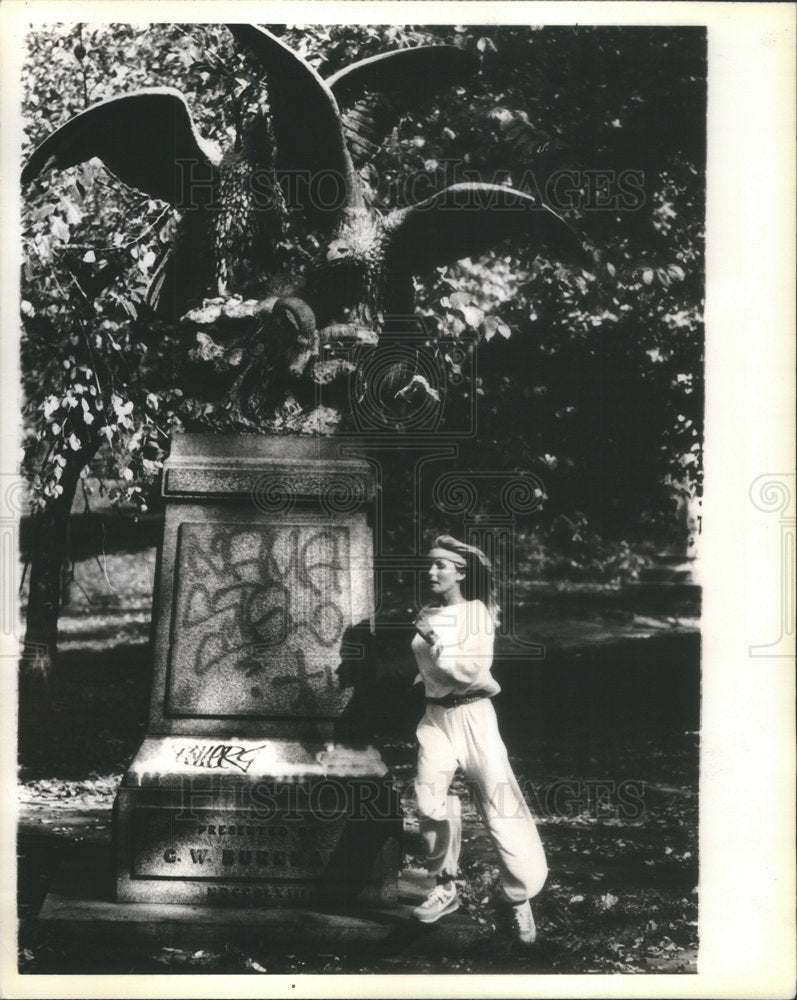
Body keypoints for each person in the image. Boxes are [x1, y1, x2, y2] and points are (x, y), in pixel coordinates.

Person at [409, 534, 547, 944]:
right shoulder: (426, 613)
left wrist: (433, 644)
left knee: (499, 804)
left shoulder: (478, 614)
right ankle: (444, 885)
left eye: (440, 565)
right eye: (429, 564)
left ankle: (518, 898)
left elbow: (468, 672)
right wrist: (423, 679)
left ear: (461, 572)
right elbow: (430, 669)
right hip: (436, 718)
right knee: (428, 797)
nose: (431, 571)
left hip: (475, 717)